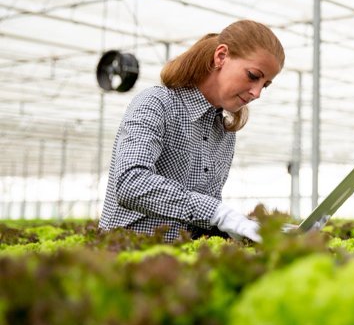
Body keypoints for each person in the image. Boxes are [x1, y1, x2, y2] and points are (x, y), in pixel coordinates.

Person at [99, 19, 284, 242]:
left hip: (181, 264)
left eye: (265, 84)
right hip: (128, 258)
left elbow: (200, 219)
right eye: (253, 76)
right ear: (221, 56)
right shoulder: (156, 104)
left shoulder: (223, 131)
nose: (257, 93)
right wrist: (218, 213)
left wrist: (252, 229)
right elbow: (130, 183)